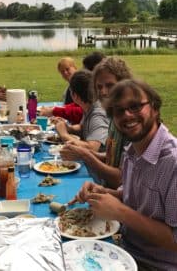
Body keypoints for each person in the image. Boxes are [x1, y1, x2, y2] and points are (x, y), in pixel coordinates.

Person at [72, 79, 177, 270]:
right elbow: (131, 196)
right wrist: (102, 192)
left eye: (135, 106)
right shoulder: (132, 151)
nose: (127, 115)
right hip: (124, 252)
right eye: (118, 111)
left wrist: (120, 212)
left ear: (154, 108)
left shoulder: (173, 163)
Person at [60, 57, 132, 188]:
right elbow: (113, 157)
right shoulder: (114, 116)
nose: (103, 91)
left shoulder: (131, 123)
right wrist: (84, 153)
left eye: (110, 85)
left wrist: (85, 154)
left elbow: (120, 179)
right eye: (99, 87)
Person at [55, 70, 109, 152]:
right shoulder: (89, 106)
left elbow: (93, 148)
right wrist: (69, 128)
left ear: (75, 96)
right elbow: (84, 127)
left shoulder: (98, 115)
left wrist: (64, 135)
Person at [39, 57, 83, 124]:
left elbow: (80, 110)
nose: (65, 72)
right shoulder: (69, 88)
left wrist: (54, 111)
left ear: (75, 67)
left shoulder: (81, 85)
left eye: (67, 69)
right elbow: (69, 107)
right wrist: (56, 111)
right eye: (62, 71)